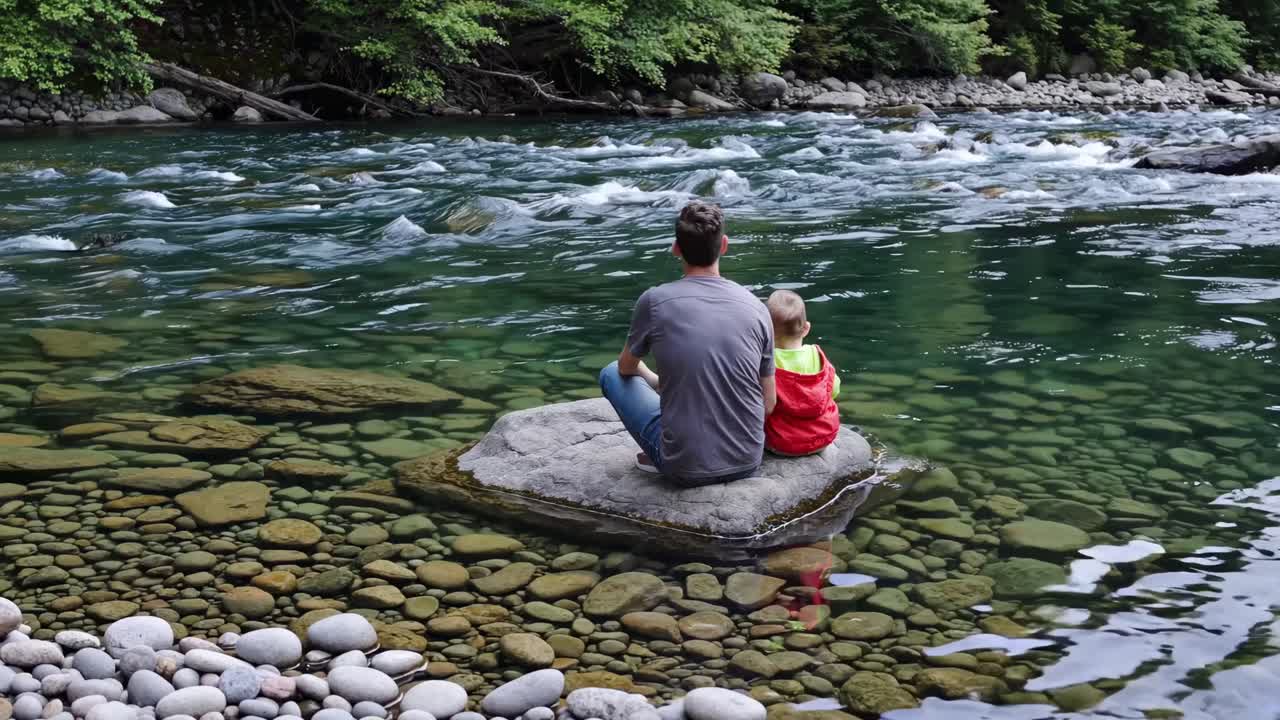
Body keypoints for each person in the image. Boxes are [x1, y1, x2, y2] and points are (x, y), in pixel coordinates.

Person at [599, 202, 776, 487]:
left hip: (684, 468)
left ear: (676, 248)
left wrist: (654, 378)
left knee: (610, 373)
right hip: (747, 462)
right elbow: (768, 403)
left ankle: (659, 453)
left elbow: (625, 368)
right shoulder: (757, 307)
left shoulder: (654, 301)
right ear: (724, 245)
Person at [763, 290, 841, 456]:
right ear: (806, 328)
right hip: (824, 437)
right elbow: (834, 389)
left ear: (766, 330)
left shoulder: (767, 361)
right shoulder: (817, 355)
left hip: (782, 443)